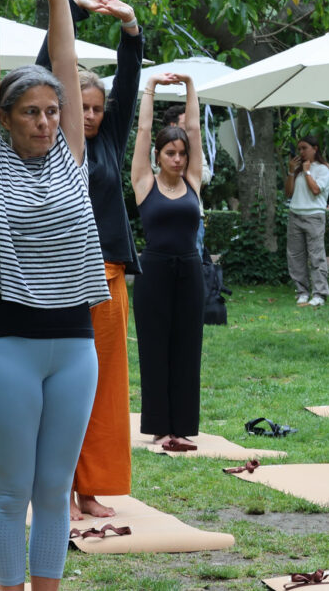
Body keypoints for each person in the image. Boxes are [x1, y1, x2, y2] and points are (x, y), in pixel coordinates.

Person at [0, 0, 110, 587]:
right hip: (7, 347)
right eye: (31, 112)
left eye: (54, 111)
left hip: (75, 346)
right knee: (9, 493)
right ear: (5, 118)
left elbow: (68, 53)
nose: (46, 122)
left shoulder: (71, 157)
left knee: (54, 492)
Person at [35, 0, 142, 521]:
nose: (94, 115)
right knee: (63, 388)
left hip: (110, 276)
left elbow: (129, 77)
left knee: (103, 388)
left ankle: (90, 489)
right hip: (60, 277)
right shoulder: (52, 140)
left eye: (100, 108)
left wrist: (129, 27)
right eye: (85, 107)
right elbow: (42, 68)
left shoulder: (108, 142)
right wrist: (70, 7)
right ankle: (56, 487)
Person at [132, 72, 205, 451]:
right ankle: (160, 426)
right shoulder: (144, 181)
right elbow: (144, 129)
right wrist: (151, 89)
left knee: (187, 346)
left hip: (189, 270)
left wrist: (191, 87)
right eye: (170, 154)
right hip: (154, 272)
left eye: (182, 153)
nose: (178, 159)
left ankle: (184, 424)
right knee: (155, 347)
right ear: (158, 156)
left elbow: (192, 126)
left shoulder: (193, 180)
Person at [285, 135, 329, 306]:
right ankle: (302, 292)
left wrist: (307, 171)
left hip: (314, 216)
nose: (301, 152)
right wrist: (292, 171)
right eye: (299, 149)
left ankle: (320, 294)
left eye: (304, 148)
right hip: (295, 215)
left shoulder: (323, 169)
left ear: (315, 148)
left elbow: (315, 190)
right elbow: (288, 193)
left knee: (316, 257)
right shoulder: (297, 169)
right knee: (295, 256)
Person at [164, 104, 213, 257]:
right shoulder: (159, 150)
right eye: (186, 124)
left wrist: (187, 172)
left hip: (194, 214)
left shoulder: (195, 148)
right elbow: (164, 177)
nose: (191, 128)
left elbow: (207, 175)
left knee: (194, 261)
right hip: (167, 213)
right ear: (173, 125)